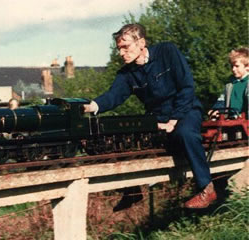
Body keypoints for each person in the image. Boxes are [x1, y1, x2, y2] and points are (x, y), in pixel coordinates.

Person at [84, 23, 217, 209]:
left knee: (185, 133)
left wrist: (173, 121)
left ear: (141, 43)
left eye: (126, 47)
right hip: (157, 118)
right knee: (125, 139)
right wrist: (91, 106)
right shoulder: (126, 74)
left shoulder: (167, 52)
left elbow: (187, 86)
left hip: (186, 110)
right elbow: (113, 96)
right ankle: (132, 191)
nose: (122, 53)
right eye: (119, 49)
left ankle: (206, 188)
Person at [208, 47, 249, 119]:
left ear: (247, 67)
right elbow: (222, 100)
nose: (233, 69)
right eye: (232, 66)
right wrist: (216, 110)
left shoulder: (247, 83)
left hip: (245, 122)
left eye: (237, 66)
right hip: (230, 120)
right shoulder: (230, 84)